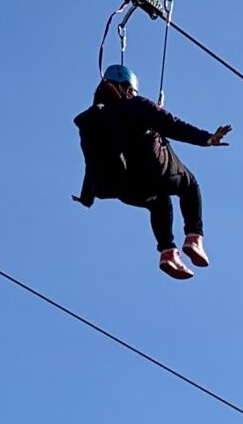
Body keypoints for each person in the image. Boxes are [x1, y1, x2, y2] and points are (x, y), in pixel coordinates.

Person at [72, 63, 232, 279]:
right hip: (157, 169)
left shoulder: (94, 121)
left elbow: (93, 161)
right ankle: (194, 237)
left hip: (125, 188)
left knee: (160, 202)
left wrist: (86, 197)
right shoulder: (137, 105)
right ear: (127, 89)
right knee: (189, 185)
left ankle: (168, 252)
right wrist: (207, 139)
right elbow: (172, 125)